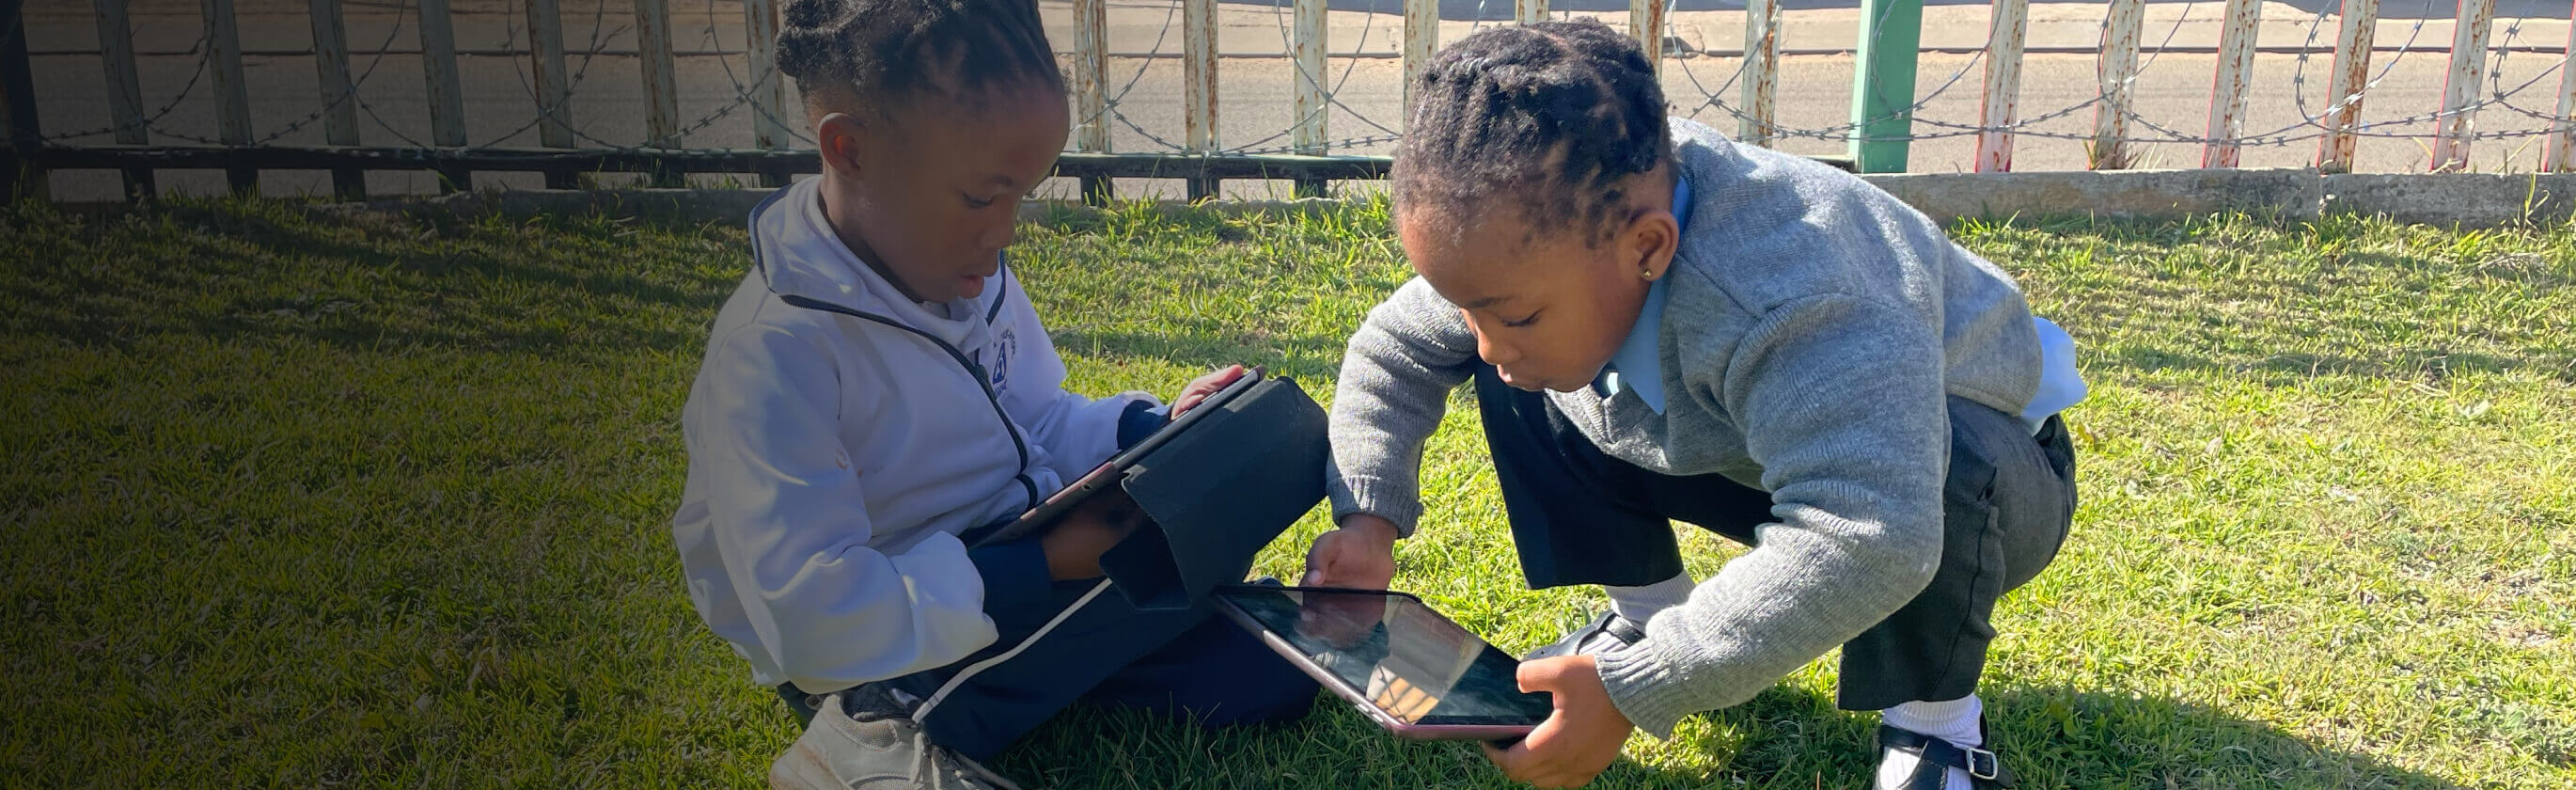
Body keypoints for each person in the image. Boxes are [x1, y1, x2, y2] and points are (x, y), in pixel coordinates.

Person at [1299, 20, 2085, 790]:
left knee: (1944, 464)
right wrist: (1368, 522)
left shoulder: (1795, 290)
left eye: (1513, 314)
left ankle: (1937, 724)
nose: (1487, 341)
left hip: (1983, 483)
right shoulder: (1557, 215)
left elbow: (1874, 530)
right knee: (1531, 376)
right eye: (1469, 309)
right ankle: (1647, 610)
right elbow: (1393, 347)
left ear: (1648, 246)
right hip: (1762, 448)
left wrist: (1638, 686)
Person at [670, 2, 1315, 786]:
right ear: (851, 150)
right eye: (983, 198)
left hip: (1021, 556)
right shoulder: (776, 351)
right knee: (1139, 564)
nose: (1005, 232)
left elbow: (1037, 418)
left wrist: (1150, 431)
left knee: (1264, 673)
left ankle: (1032, 671)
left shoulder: (961, 271)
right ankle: (865, 739)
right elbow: (812, 617)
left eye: (1022, 196)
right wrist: (1042, 565)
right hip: (878, 642)